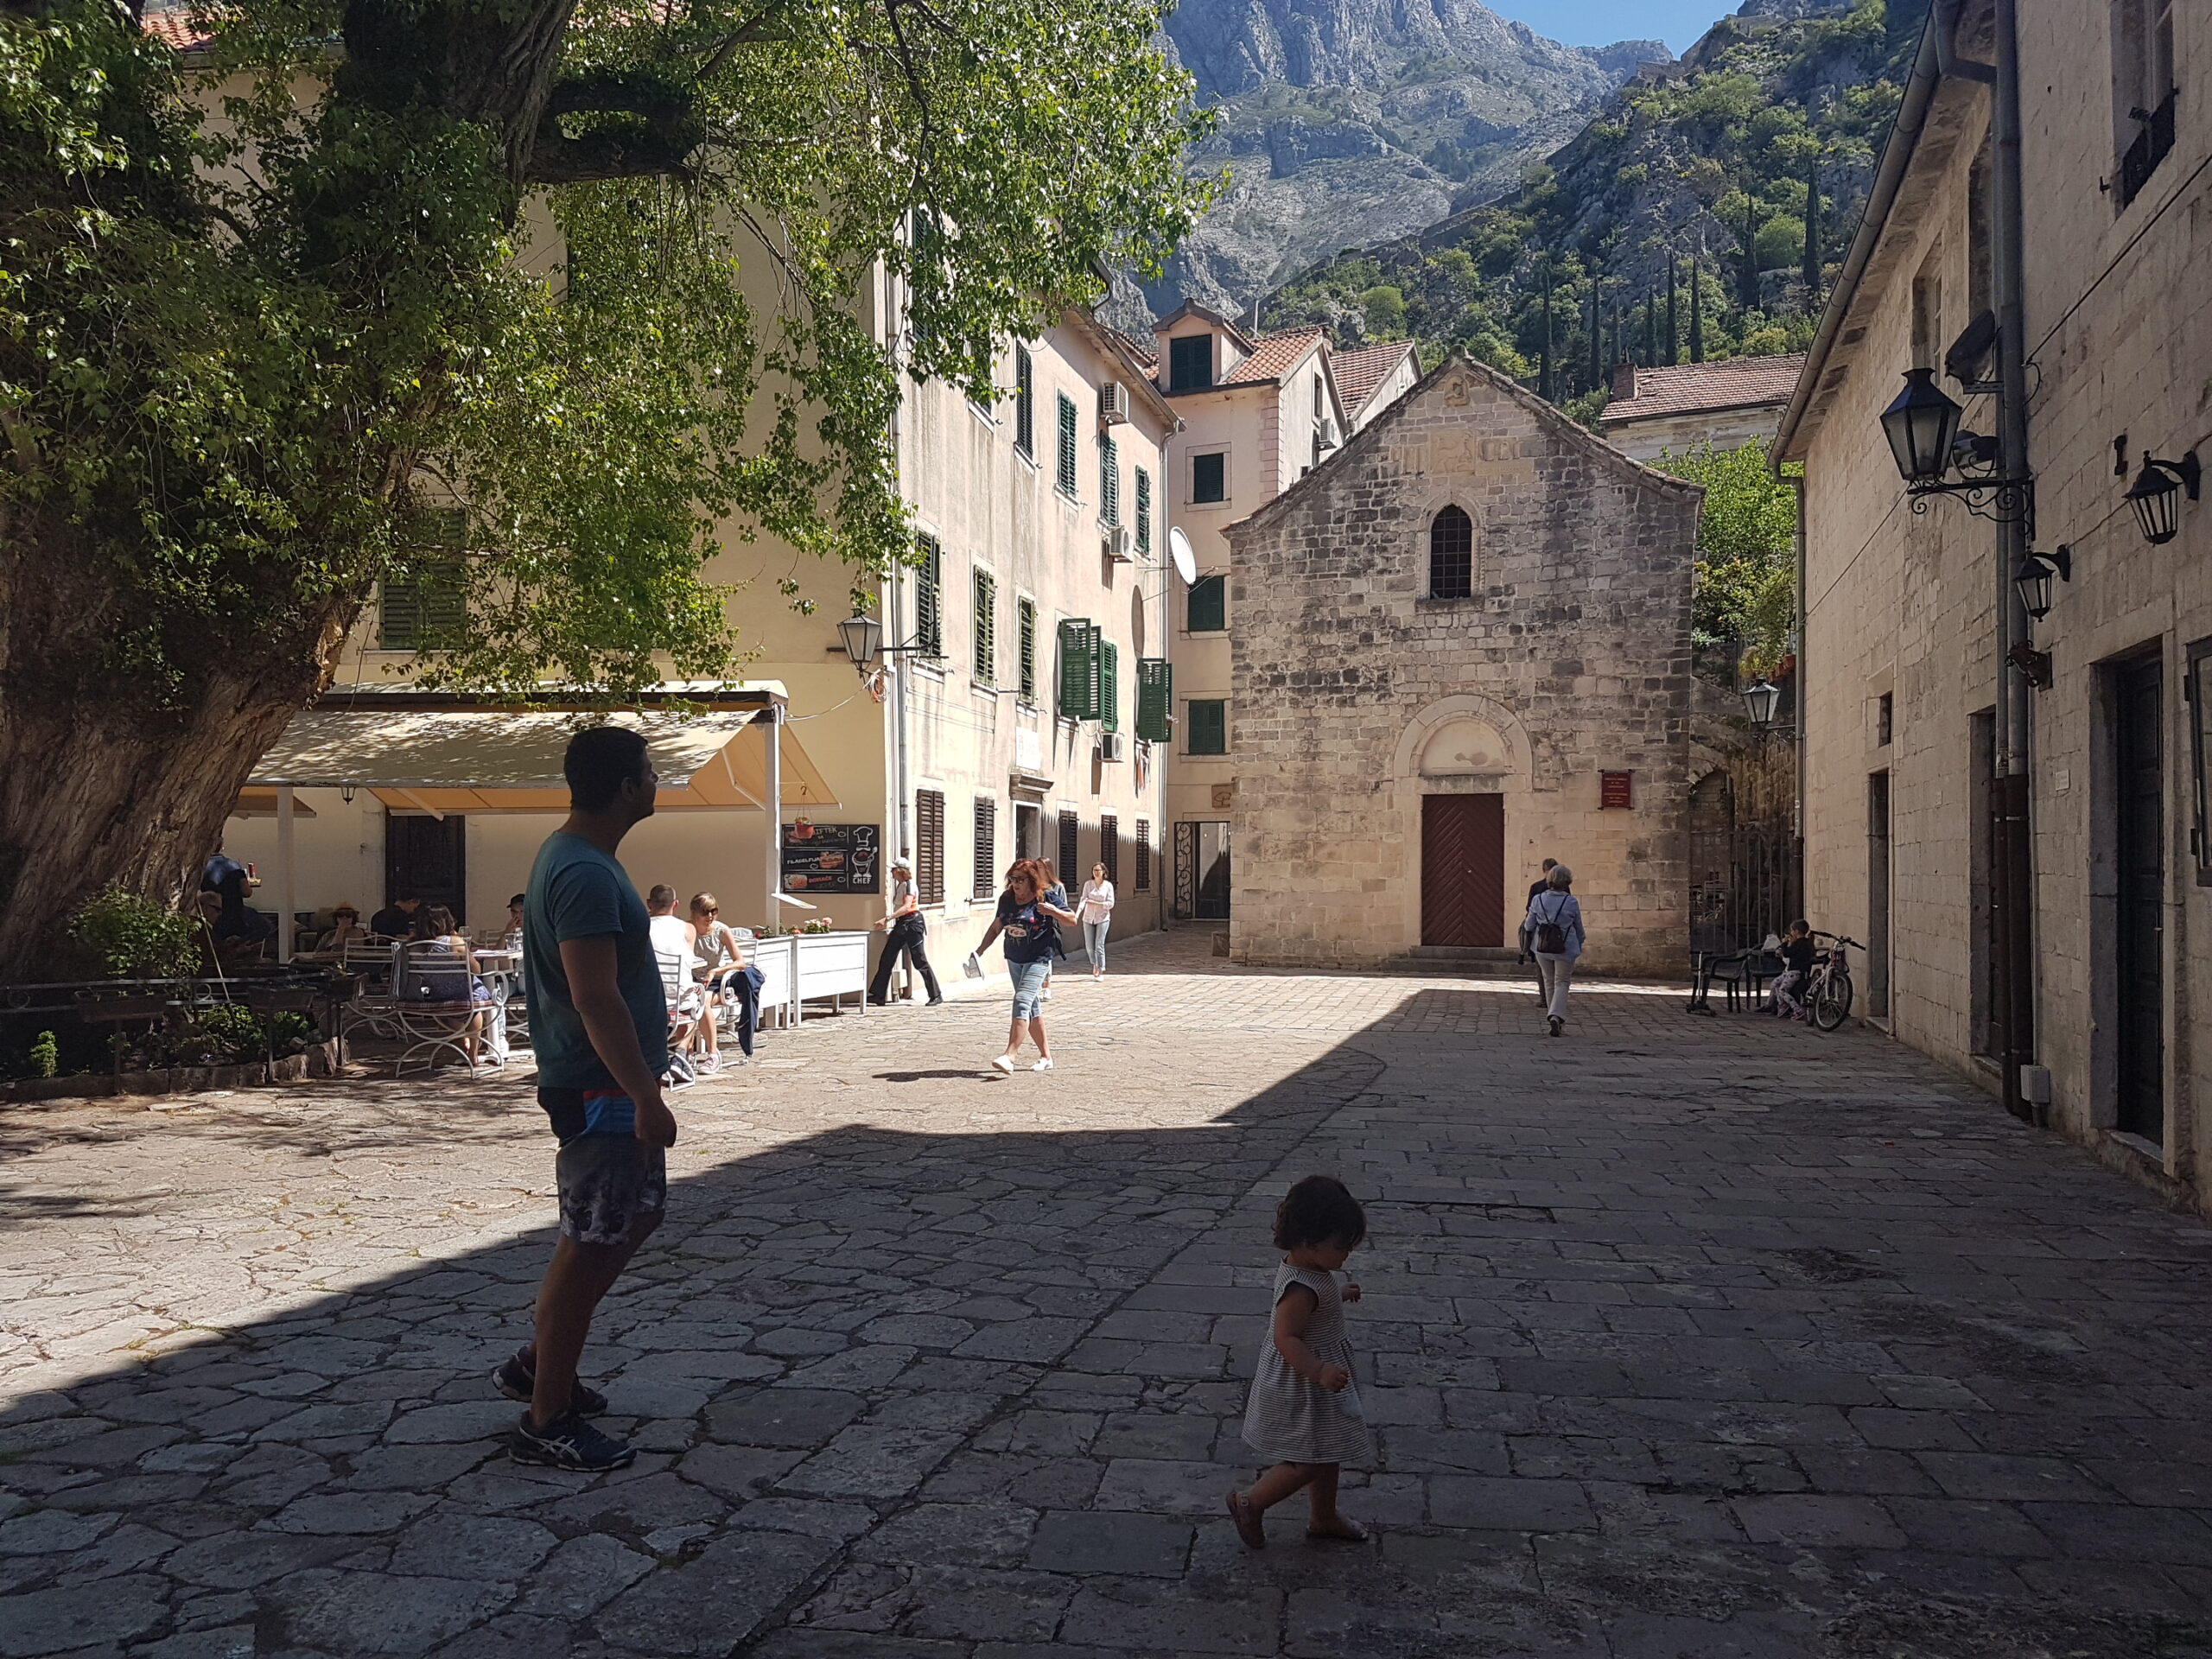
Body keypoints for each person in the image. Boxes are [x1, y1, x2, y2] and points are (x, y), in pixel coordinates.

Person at [498, 726, 676, 1473]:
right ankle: (547, 1418)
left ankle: (542, 1364)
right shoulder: (585, 873)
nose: (658, 780)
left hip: (606, 1084)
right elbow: (593, 995)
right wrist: (643, 1093)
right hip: (599, 1086)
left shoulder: (579, 859)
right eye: (650, 770)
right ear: (628, 787)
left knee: (634, 1218)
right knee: (591, 1242)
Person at [1227, 1175, 1371, 1549]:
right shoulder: (1299, 1287)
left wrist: (1337, 1295)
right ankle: (1251, 1502)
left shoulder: (1313, 1275)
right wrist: (1319, 1370)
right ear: (1309, 1243)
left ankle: (1323, 1516)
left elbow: (1316, 1306)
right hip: (1303, 1383)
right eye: (1342, 1246)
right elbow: (1286, 1336)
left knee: (1329, 1449)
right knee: (1307, 1460)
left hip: (1318, 1384)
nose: (1347, 1255)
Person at [975, 859, 1076, 1074]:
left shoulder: (1046, 896)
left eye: (1020, 880)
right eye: (1012, 879)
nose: (1015, 884)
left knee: (1022, 1000)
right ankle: (1046, 1056)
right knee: (1032, 1007)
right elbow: (996, 927)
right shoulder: (1007, 899)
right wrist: (980, 951)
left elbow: (1072, 919)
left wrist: (1053, 911)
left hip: (1039, 959)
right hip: (1014, 958)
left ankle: (1010, 1055)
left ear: (1032, 880)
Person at [407, 905, 490, 1066]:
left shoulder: (412, 946)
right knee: (475, 1003)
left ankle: (463, 1043)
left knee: (454, 1009)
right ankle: (473, 1052)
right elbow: (476, 970)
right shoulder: (455, 942)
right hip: (466, 995)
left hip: (438, 995)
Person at [687, 892, 751, 1071]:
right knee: (683, 1000)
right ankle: (687, 1053)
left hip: (715, 982)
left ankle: (713, 1053)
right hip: (691, 980)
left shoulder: (721, 930)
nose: (709, 917)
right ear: (694, 913)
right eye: (704, 912)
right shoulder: (687, 929)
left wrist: (716, 970)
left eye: (713, 911)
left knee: (702, 1001)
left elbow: (741, 962)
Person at [645, 886, 702, 1084]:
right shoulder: (687, 929)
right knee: (696, 1002)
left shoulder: (641, 928)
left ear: (649, 904)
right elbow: (690, 962)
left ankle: (661, 1058)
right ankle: (679, 1056)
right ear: (676, 905)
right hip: (679, 1002)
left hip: (650, 1000)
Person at [869, 857, 944, 1007]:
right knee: (887, 957)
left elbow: (907, 906)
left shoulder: (909, 885)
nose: (891, 873)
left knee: (919, 960)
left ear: (900, 871)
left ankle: (936, 995)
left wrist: (887, 918)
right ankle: (878, 994)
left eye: (893, 870)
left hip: (912, 923)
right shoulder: (902, 885)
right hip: (903, 923)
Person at [1524, 863, 1586, 1038]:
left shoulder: (1538, 900)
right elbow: (1578, 927)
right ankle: (1556, 1015)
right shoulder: (1571, 901)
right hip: (1565, 946)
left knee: (1549, 981)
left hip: (1542, 947)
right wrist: (1579, 943)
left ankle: (1552, 1016)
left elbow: (1529, 925)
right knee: (1562, 981)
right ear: (1567, 882)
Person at [1518, 857, 1559, 1001]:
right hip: (1559, 933)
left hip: (1541, 932)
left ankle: (1544, 998)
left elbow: (1529, 909)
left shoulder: (1536, 888)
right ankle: (1555, 999)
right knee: (1558, 969)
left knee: (1542, 968)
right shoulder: (1564, 889)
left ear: (1544, 870)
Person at [1036, 858, 1070, 1002]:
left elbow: (1065, 908)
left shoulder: (1057, 887)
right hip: (1034, 927)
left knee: (1046, 957)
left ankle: (1046, 987)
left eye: (1040, 867)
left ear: (1047, 869)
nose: (1037, 870)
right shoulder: (1033, 886)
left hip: (1050, 926)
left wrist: (1052, 911)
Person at [1769, 918, 1816, 1022]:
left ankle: (1797, 1009)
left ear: (1796, 931)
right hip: (1790, 971)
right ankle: (1782, 1005)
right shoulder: (1805, 943)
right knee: (1775, 984)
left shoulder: (1800, 943)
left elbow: (1787, 953)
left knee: (1782, 990)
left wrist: (1784, 944)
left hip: (1795, 972)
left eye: (1792, 930)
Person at [1077, 861, 1116, 978]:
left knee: (1099, 944)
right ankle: (1095, 964)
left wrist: (1096, 903)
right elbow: (1083, 899)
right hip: (1088, 918)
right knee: (1089, 946)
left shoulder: (1108, 885)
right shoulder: (1088, 884)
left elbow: (1111, 903)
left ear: (1104, 872)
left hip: (1102, 918)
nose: (1096, 872)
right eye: (1094, 870)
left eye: (1098, 870)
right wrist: (1077, 913)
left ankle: (1101, 969)